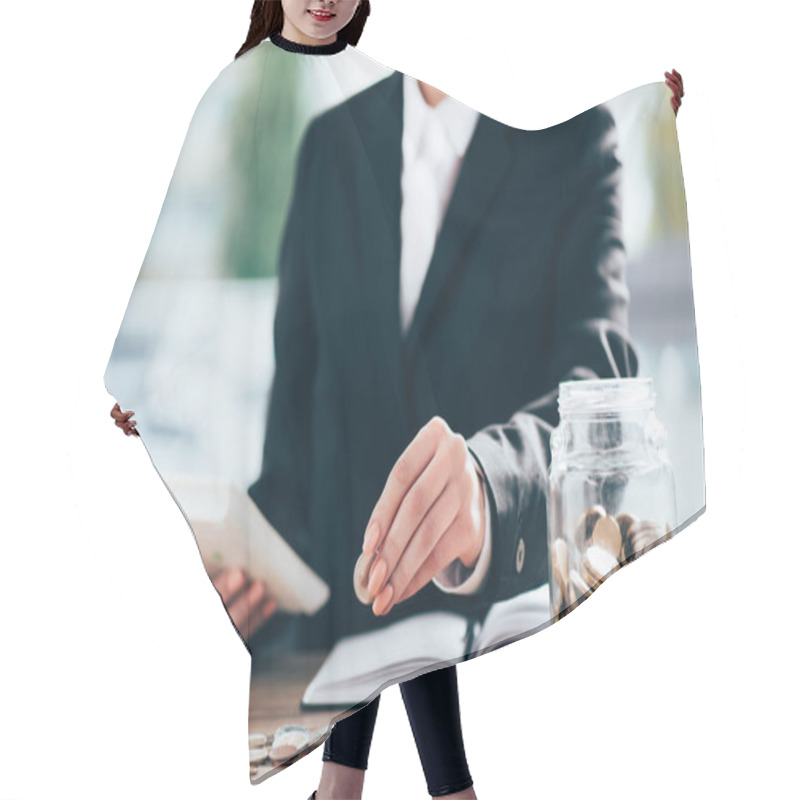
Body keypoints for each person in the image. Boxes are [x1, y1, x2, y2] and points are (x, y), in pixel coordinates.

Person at [111, 3, 685, 798]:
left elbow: (599, 386)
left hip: (479, 563)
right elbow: (289, 414)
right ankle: (393, 788)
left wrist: (484, 485)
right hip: (353, 535)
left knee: (400, 558)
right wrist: (249, 536)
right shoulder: (312, 135)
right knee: (376, 555)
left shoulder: (569, 153)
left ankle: (369, 788)